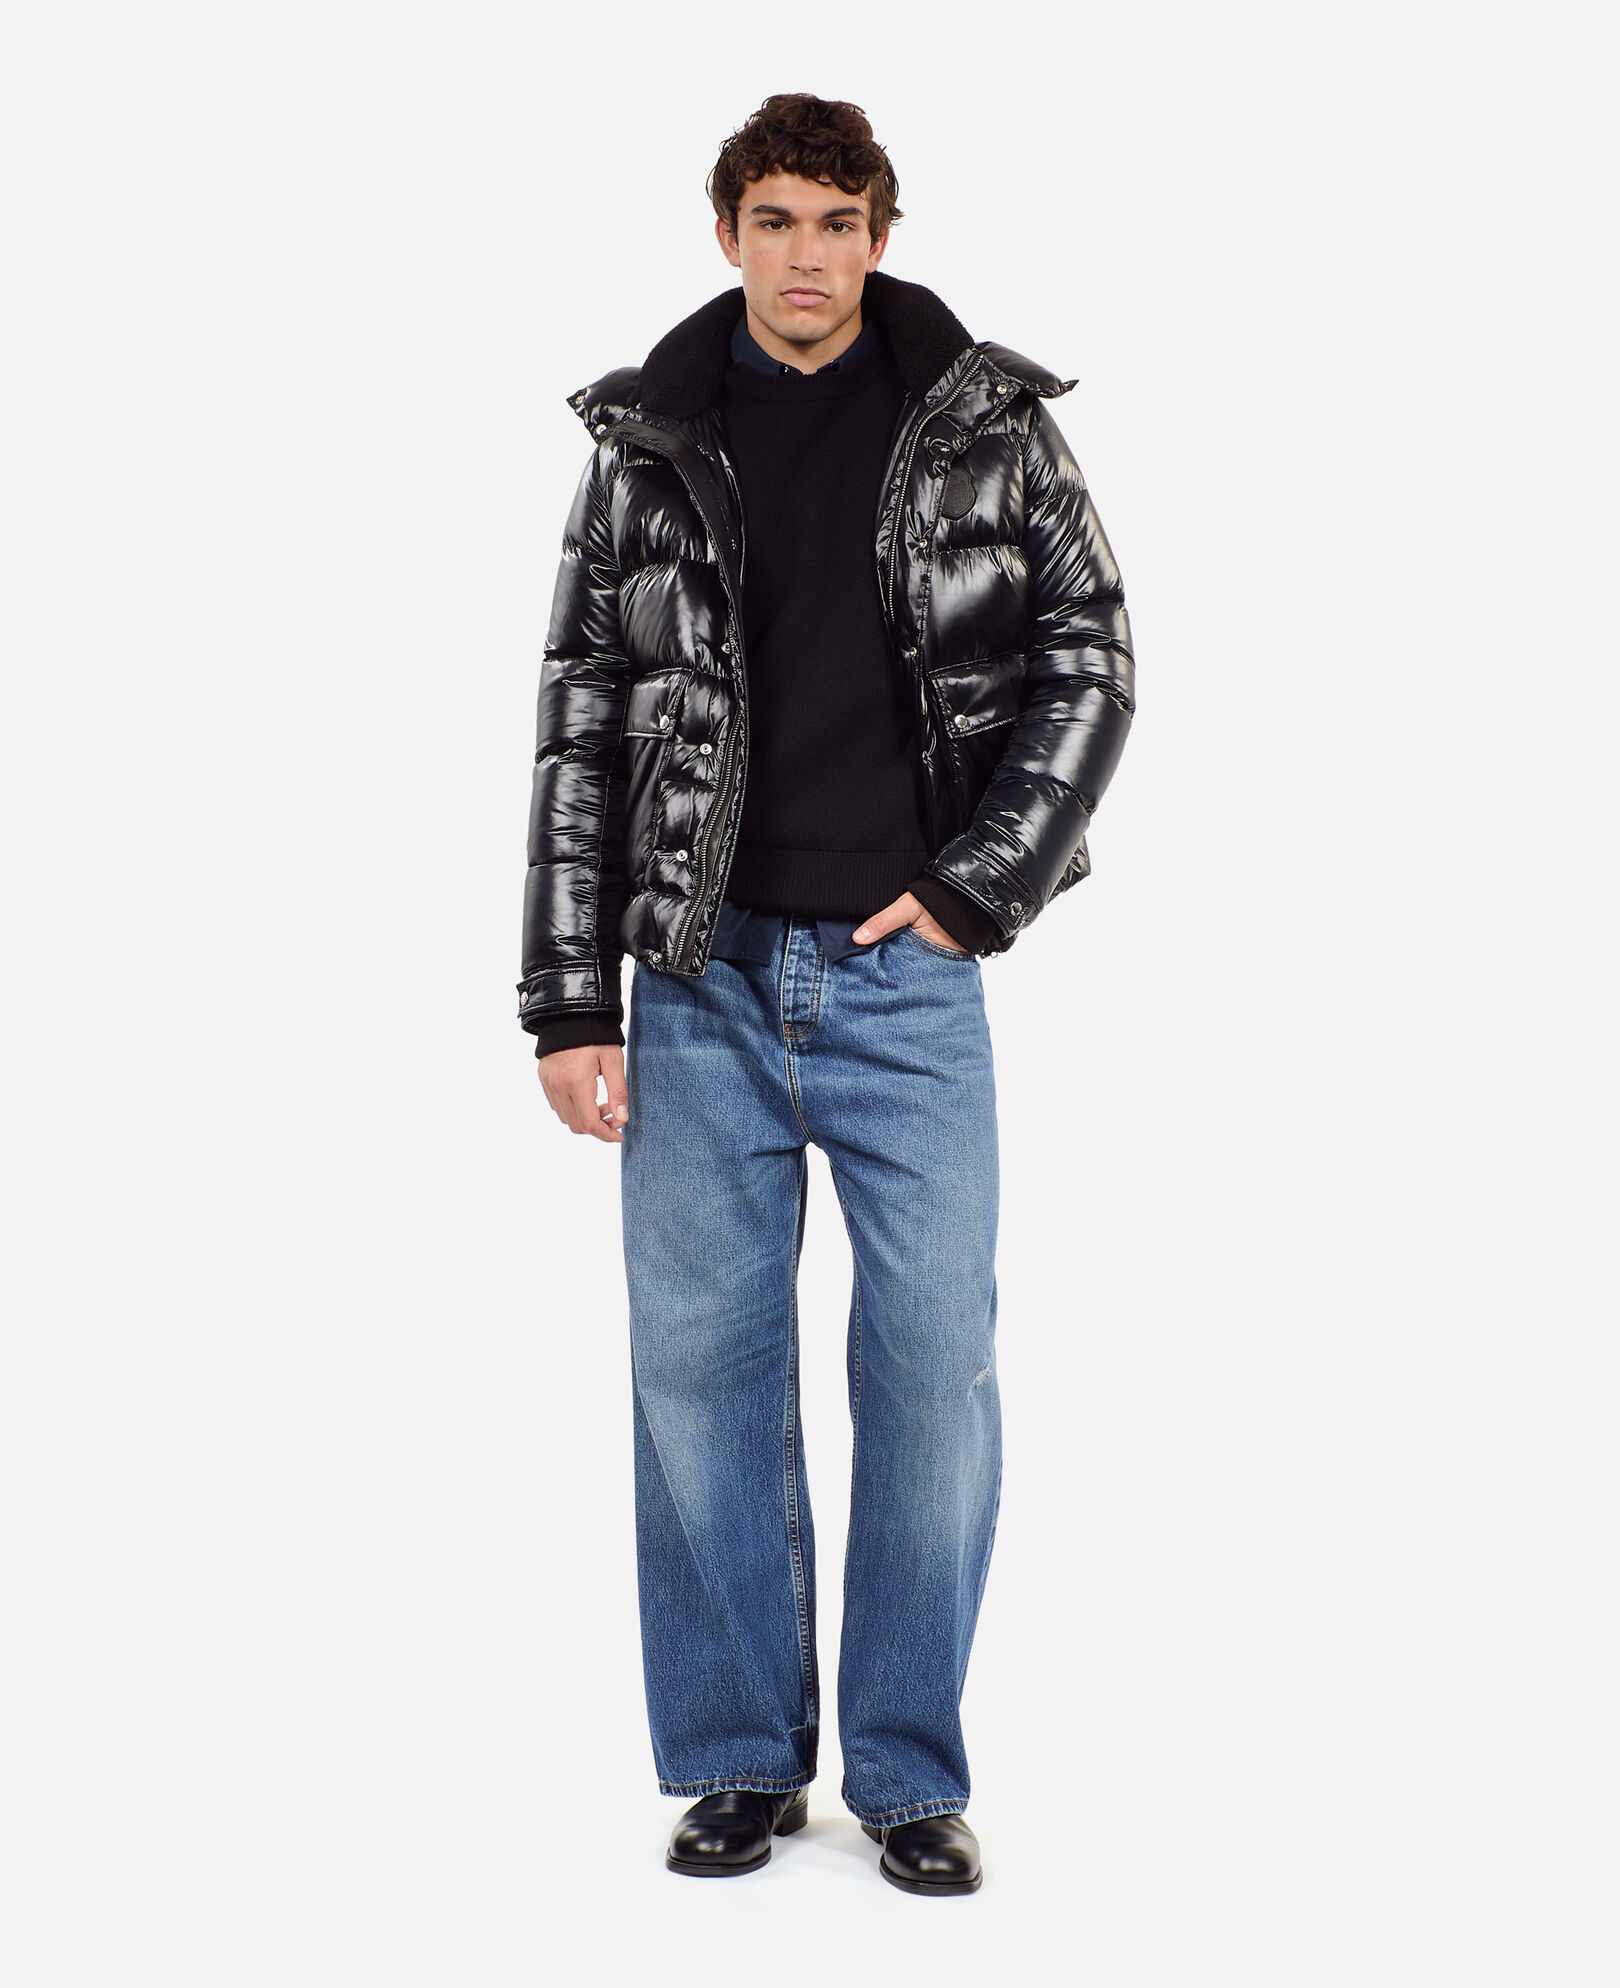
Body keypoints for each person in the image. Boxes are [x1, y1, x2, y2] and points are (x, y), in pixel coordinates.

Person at [517, 93, 1135, 1896]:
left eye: (842, 221)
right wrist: (570, 1001)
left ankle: (911, 1772)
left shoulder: (987, 426)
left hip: (905, 983)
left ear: (882, 234)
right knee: (698, 1376)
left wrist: (975, 887)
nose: (809, 255)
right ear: (727, 233)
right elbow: (581, 720)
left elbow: (1092, 660)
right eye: (778, 219)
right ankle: (737, 1760)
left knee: (935, 1371)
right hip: (695, 978)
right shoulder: (648, 441)